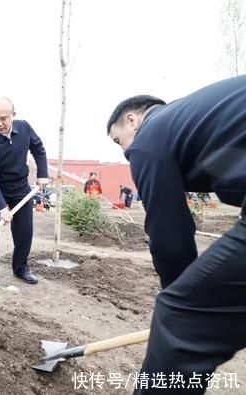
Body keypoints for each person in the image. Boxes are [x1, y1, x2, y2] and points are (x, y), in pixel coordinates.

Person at [107, 86, 246, 394]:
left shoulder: (148, 140)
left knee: (180, 319)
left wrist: (180, 299)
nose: (125, 151)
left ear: (132, 120)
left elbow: (170, 236)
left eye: (119, 141)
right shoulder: (203, 124)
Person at [0, 97, 49, 297]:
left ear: (13, 116)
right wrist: (1, 208)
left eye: (4, 118)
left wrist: (43, 173)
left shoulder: (23, 128)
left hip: (20, 188)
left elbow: (38, 148)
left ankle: (21, 268)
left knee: (25, 231)